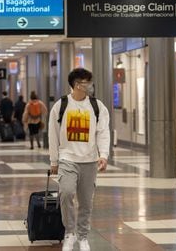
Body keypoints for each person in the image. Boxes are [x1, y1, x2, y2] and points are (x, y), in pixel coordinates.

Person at [48, 68, 110, 251]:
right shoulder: (61, 105)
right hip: (67, 158)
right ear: (76, 84)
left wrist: (104, 155)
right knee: (66, 193)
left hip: (89, 161)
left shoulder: (97, 106)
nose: (90, 86)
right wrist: (54, 160)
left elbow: (103, 132)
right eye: (86, 82)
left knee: (85, 201)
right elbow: (53, 134)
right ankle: (70, 233)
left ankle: (82, 236)